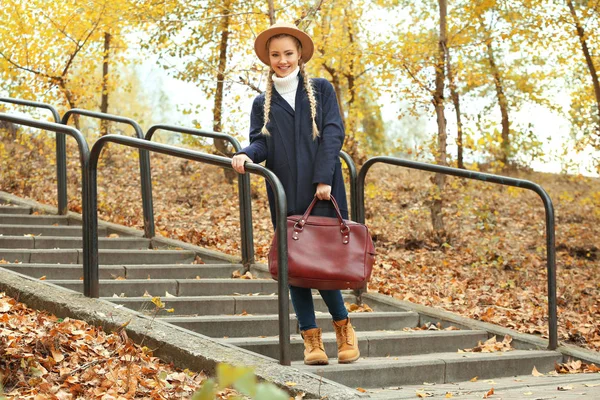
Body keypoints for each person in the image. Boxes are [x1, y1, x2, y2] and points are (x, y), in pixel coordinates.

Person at [231, 22, 359, 365]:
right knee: (296, 267)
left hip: (323, 190)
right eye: (276, 55)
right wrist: (246, 153)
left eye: (288, 53)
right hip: (286, 192)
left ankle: (344, 328)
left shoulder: (320, 89)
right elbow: (261, 140)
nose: (282, 60)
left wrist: (323, 179)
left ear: (300, 54)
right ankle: (311, 341)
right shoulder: (262, 102)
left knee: (323, 264)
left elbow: (334, 133)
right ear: (268, 59)